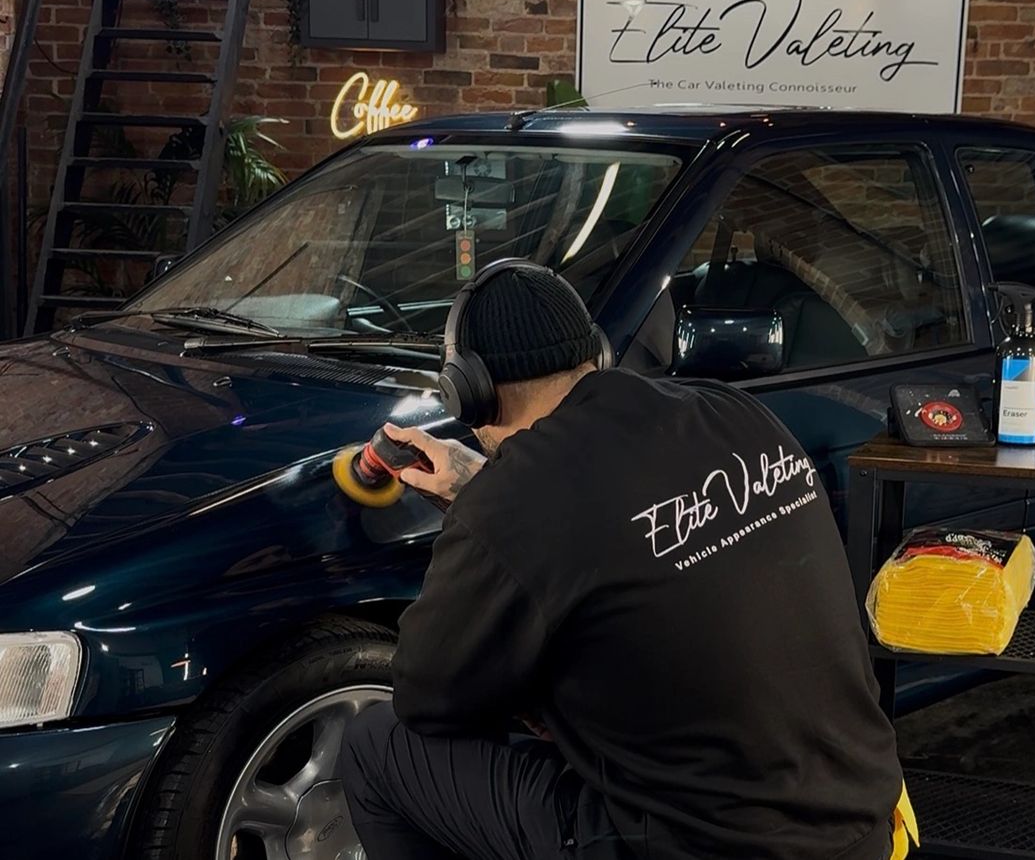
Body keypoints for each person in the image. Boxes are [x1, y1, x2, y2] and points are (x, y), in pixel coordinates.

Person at [340, 259, 911, 860]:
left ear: (469, 390)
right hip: (861, 821)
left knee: (378, 746)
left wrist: (482, 512)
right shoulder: (733, 412)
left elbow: (427, 695)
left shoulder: (517, 501)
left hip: (704, 847)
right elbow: (613, 523)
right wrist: (484, 494)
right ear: (597, 352)